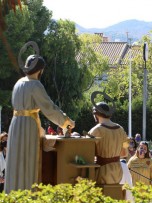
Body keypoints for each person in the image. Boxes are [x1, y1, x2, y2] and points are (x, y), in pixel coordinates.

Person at [5, 55, 75, 193]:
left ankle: (13, 196)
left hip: (15, 125)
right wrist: (67, 122)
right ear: (40, 70)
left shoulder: (19, 83)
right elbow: (48, 108)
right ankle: (29, 197)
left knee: (16, 162)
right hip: (28, 126)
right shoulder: (35, 85)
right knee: (28, 161)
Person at [88, 101, 129, 185]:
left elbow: (87, 155)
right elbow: (125, 153)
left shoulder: (95, 130)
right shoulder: (121, 129)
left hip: (102, 171)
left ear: (96, 114)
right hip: (118, 172)